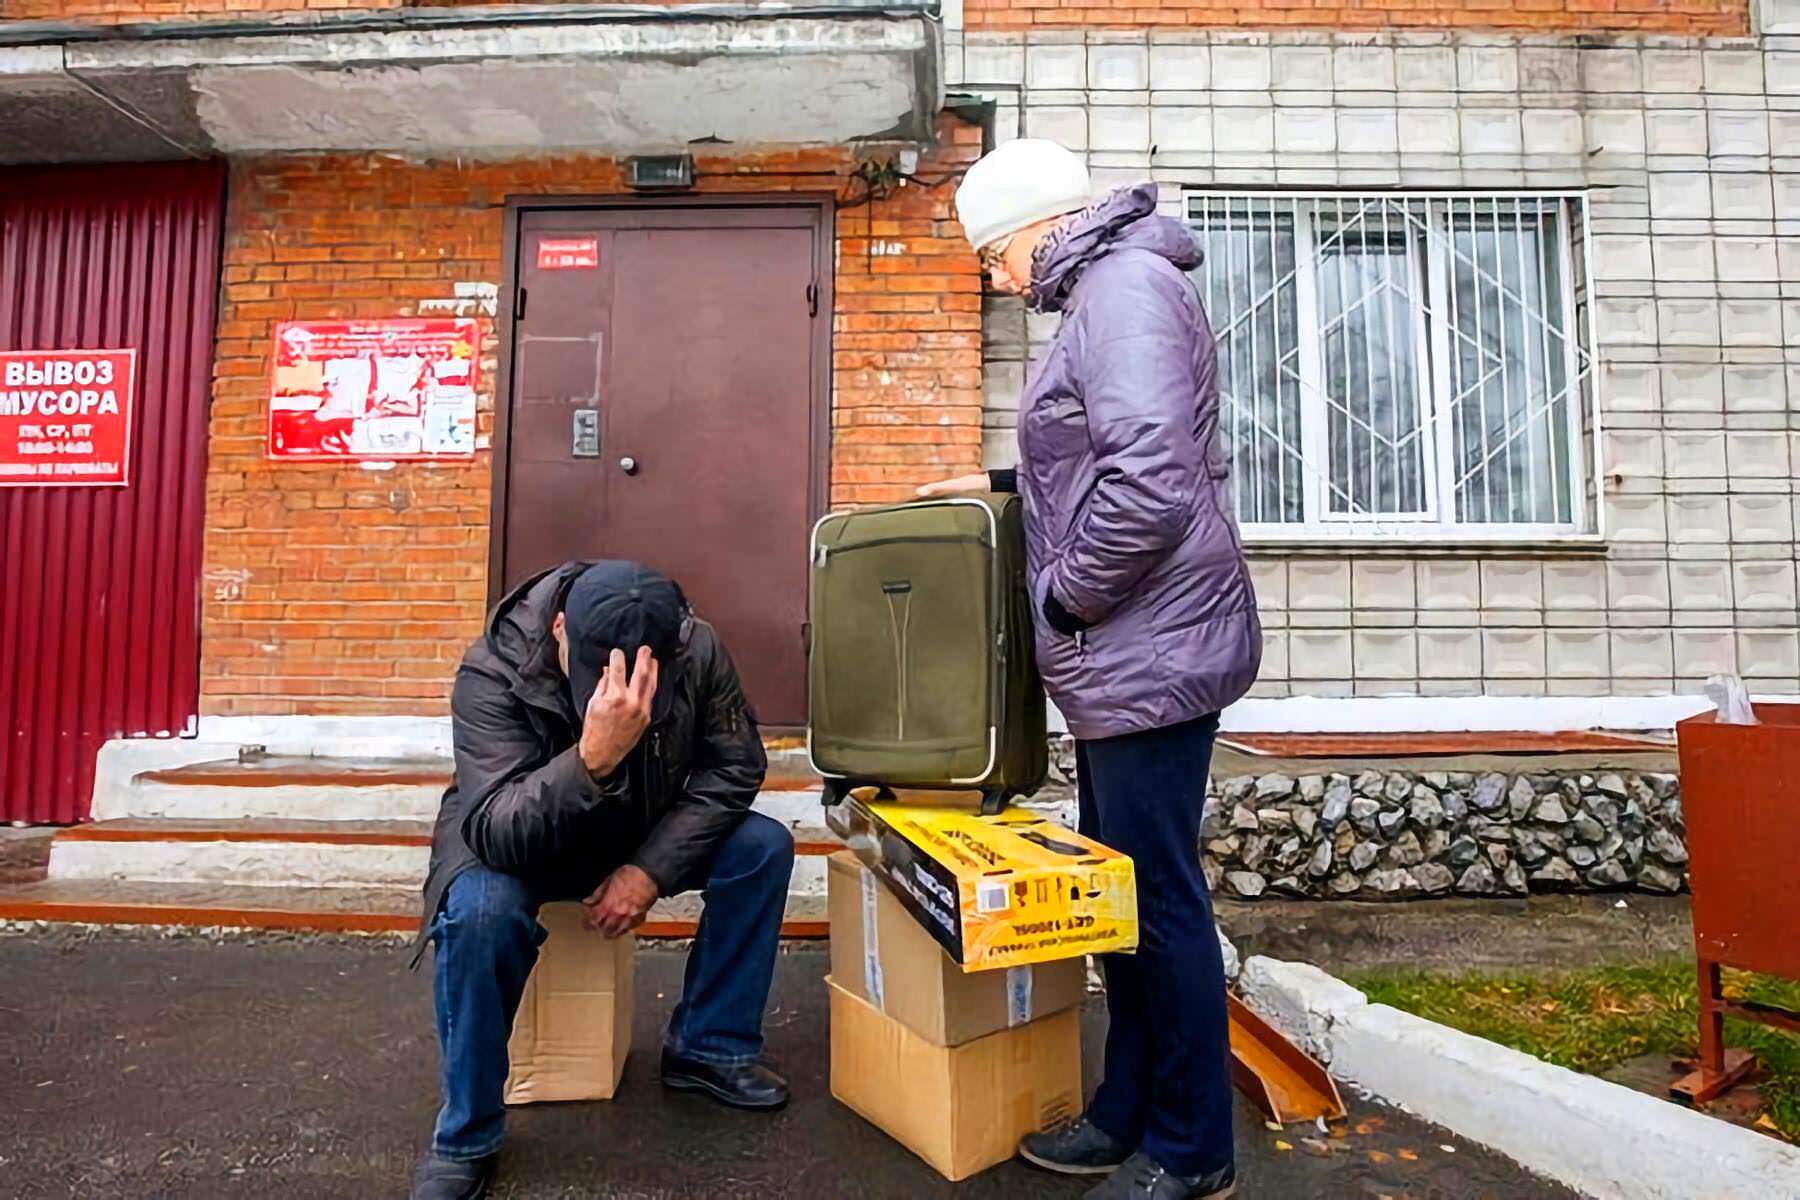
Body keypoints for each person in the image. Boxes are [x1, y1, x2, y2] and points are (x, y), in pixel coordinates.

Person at [921, 139, 1261, 1200]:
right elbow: (1095, 446)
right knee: (1125, 899)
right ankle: (1126, 1110)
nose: (994, 277)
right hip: (1133, 650)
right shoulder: (1109, 295)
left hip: (1146, 643)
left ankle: (1192, 1148)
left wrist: (1063, 595)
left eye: (991, 256)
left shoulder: (1124, 291)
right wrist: (987, 480)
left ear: (1031, 229)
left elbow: (1150, 483)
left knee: (1158, 907)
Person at [410, 560, 793, 1200]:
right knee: (479, 914)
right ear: (559, 628)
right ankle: (465, 1135)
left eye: (644, 678)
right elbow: (497, 827)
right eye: (597, 676)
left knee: (762, 848)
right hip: (518, 839)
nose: (617, 693)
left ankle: (710, 1047)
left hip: (639, 825)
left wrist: (649, 870)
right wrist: (593, 758)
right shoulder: (494, 672)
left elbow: (735, 767)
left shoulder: (697, 647)